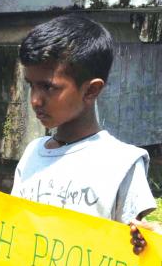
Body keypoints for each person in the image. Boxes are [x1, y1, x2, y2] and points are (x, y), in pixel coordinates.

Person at [13, 15, 156, 235]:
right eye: (31, 85)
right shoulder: (33, 152)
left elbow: (133, 244)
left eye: (48, 87)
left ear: (91, 90)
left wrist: (145, 238)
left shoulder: (121, 163)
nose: (35, 100)